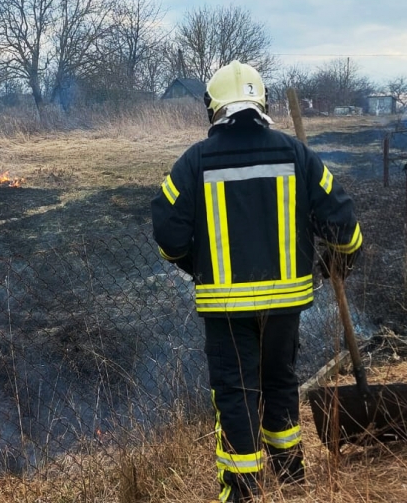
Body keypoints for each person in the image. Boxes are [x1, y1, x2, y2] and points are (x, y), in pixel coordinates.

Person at [151, 61, 362, 503]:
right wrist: (338, 261)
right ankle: (290, 477)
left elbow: (168, 236)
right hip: (285, 306)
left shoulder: (195, 161)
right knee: (279, 382)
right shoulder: (296, 153)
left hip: (225, 309)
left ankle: (242, 491)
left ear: (215, 107)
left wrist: (198, 266)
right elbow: (344, 225)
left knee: (236, 393)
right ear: (261, 102)